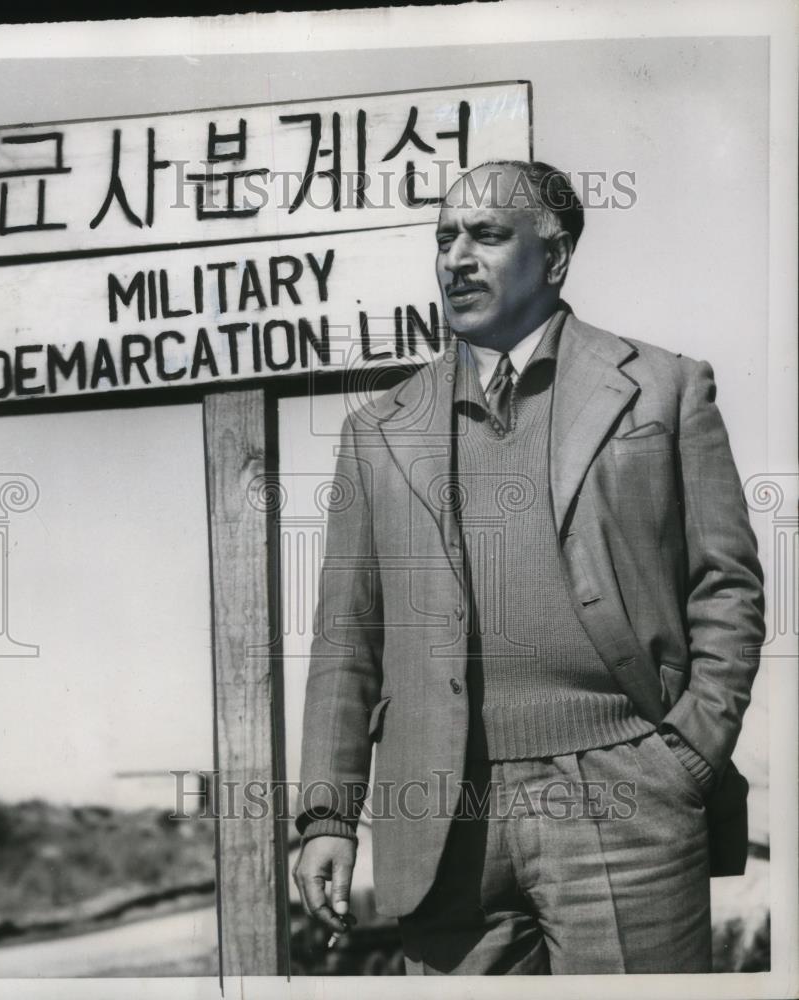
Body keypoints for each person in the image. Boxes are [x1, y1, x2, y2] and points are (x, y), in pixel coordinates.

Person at [292, 160, 765, 974]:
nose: (456, 259)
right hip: (443, 822)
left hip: (628, 797)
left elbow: (727, 584)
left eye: (485, 235)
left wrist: (686, 754)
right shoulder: (378, 430)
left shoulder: (662, 390)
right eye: (444, 238)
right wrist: (329, 816)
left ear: (554, 258)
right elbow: (347, 642)